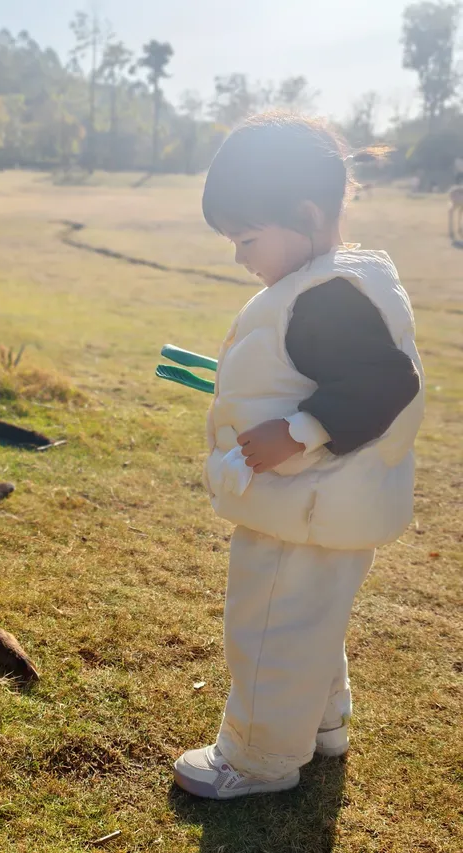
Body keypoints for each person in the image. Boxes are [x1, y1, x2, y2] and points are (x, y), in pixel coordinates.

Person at [173, 114, 424, 800]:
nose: (239, 257)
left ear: (307, 215)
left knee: (270, 626)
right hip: (323, 510)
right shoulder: (336, 280)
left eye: (247, 239)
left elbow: (386, 382)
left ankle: (257, 758)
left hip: (303, 508)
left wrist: (304, 429)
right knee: (311, 616)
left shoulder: (327, 298)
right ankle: (321, 724)